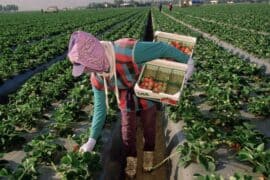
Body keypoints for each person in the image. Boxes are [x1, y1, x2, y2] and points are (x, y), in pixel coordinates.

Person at [67, 31, 194, 178]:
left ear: (92, 58)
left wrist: (187, 61)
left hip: (146, 87)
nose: (86, 71)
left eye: (85, 67)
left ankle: (149, 153)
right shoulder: (97, 78)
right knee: (127, 130)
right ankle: (131, 158)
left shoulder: (128, 50)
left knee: (149, 125)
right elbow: (100, 108)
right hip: (125, 96)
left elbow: (161, 48)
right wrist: (91, 140)